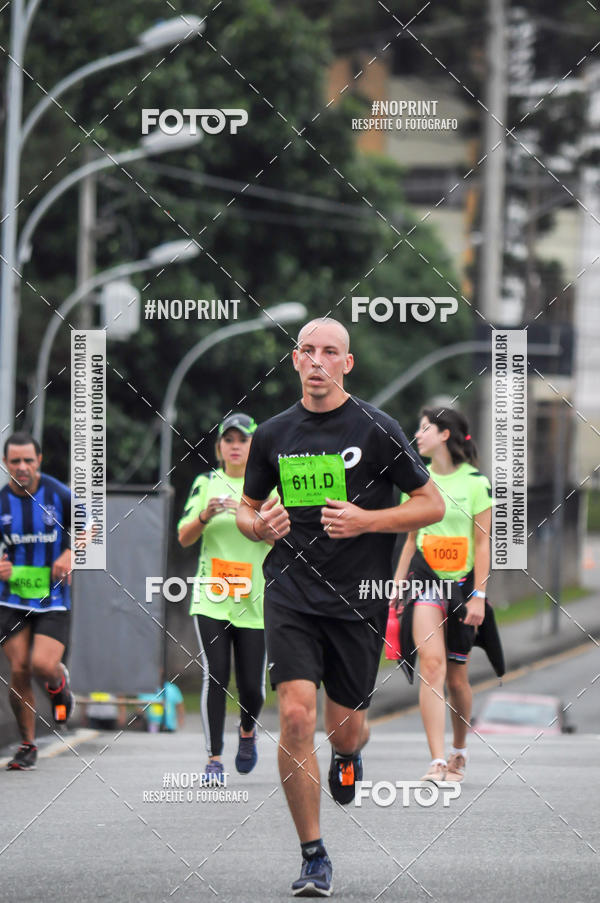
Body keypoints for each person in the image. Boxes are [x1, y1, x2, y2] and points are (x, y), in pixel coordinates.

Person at [236, 318, 445, 897]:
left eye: (330, 352)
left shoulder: (378, 429)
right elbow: (247, 509)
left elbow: (430, 505)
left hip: (357, 600)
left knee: (345, 729)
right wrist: (259, 526)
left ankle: (348, 755)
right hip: (291, 592)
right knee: (295, 715)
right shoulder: (273, 434)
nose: (317, 361)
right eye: (308, 350)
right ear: (295, 359)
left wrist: (366, 520)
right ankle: (313, 854)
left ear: (346, 364)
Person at [393, 407, 493, 784]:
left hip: (463, 586)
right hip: (425, 581)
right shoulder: (418, 479)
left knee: (456, 678)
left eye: (425, 429)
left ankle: (459, 750)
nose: (418, 436)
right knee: (432, 667)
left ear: (445, 434)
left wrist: (479, 595)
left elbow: (482, 544)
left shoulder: (476, 483)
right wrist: (398, 583)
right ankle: (436, 760)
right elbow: (410, 539)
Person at [178, 413, 271, 782]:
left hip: (255, 599)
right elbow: (184, 537)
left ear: (253, 446)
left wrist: (252, 515)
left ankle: (247, 732)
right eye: (228, 440)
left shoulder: (268, 487)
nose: (235, 446)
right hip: (212, 597)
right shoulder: (205, 483)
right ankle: (213, 759)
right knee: (216, 674)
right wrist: (205, 515)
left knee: (251, 687)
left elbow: (281, 538)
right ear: (219, 447)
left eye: (242, 440)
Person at [0, 432, 75, 771]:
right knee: (19, 669)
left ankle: (59, 686)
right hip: (11, 598)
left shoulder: (59, 494)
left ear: (39, 460)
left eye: (28, 460)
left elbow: (90, 526)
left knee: (42, 665)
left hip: (52, 596)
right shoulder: (2, 503)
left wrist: (70, 553)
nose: (22, 467)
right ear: (5, 463)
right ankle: (27, 745)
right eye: (15, 461)